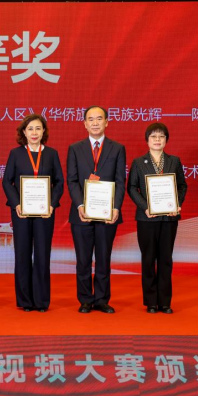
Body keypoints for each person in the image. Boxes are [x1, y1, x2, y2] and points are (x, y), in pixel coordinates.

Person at [67, 106, 126, 314]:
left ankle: (101, 299)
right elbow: (72, 180)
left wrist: (116, 207)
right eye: (90, 119)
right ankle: (85, 299)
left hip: (107, 213)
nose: (95, 123)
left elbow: (120, 181)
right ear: (84, 124)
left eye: (99, 119)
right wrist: (80, 205)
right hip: (82, 214)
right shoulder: (75, 148)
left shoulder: (117, 148)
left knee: (103, 257)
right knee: (83, 259)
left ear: (106, 122)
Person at [2, 114, 64, 312]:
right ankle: (25, 301)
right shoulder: (16, 153)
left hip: (45, 212)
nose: (34, 133)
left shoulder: (52, 154)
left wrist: (52, 205)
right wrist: (16, 204)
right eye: (30, 129)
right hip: (22, 212)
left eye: (38, 128)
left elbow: (59, 182)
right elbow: (7, 181)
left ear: (44, 131)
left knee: (42, 255)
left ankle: (41, 301)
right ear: (24, 132)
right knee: (22, 254)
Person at [128, 122, 187, 314]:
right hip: (147, 218)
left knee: (165, 259)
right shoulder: (139, 162)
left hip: (169, 218)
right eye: (153, 136)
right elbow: (132, 188)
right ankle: (151, 302)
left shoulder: (174, 161)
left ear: (166, 140)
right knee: (148, 259)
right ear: (147, 140)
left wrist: (177, 204)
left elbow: (182, 186)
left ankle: (165, 302)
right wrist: (145, 207)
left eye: (161, 136)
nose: (157, 140)